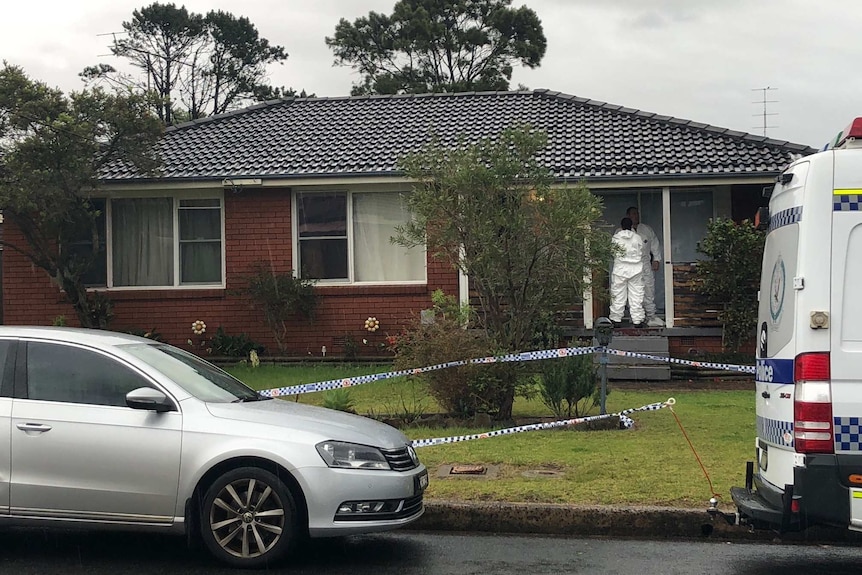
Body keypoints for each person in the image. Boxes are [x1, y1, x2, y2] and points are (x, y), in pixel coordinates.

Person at [626, 206, 664, 327]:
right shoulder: (622, 231)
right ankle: (636, 317)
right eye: (633, 214)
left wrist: (657, 259)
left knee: (648, 289)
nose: (635, 216)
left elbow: (655, 244)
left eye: (637, 214)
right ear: (628, 216)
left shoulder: (646, 229)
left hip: (645, 264)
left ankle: (651, 316)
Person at [610, 217, 645, 328]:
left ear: (621, 226)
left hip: (620, 269)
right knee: (636, 295)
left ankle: (616, 319)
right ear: (631, 226)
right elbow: (642, 251)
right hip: (636, 269)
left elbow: (613, 252)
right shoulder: (637, 238)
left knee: (618, 294)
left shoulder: (616, 238)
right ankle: (637, 320)